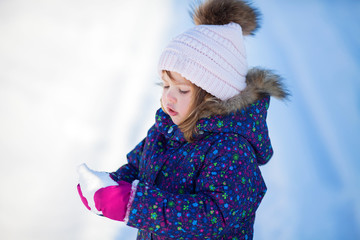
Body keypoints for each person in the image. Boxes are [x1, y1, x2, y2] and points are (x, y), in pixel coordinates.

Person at [76, 0, 289, 239]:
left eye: (182, 90)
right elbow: (138, 167)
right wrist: (109, 187)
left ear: (212, 95)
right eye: (166, 85)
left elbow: (213, 216)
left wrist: (133, 205)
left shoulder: (231, 149)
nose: (169, 96)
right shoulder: (164, 130)